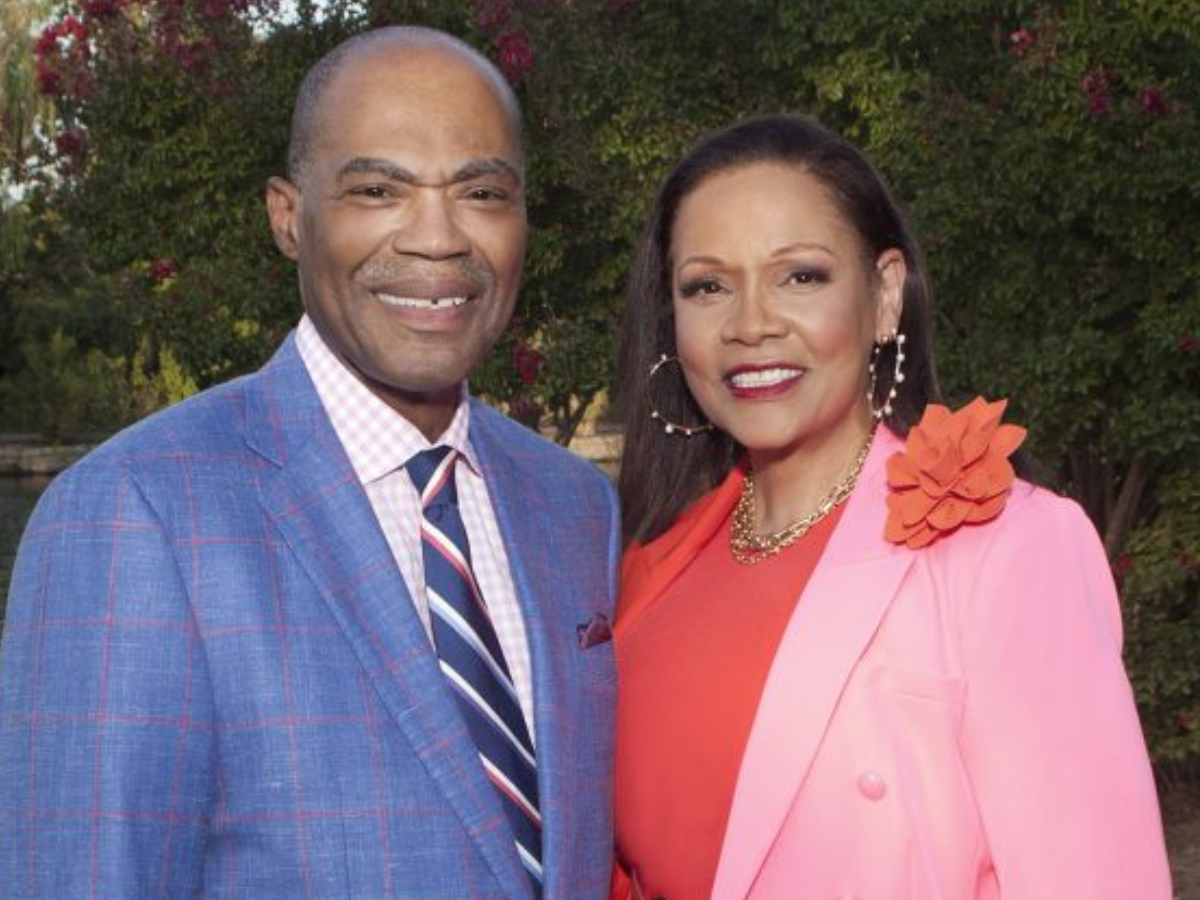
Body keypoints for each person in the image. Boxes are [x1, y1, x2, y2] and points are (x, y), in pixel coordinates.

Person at [0, 27, 619, 900]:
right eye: (377, 189)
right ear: (289, 217)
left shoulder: (577, 506)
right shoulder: (131, 513)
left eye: (482, 191)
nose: (438, 239)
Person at [612, 114, 1171, 900]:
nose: (750, 324)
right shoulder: (647, 566)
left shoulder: (1005, 547)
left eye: (800, 276)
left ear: (883, 297)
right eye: (707, 286)